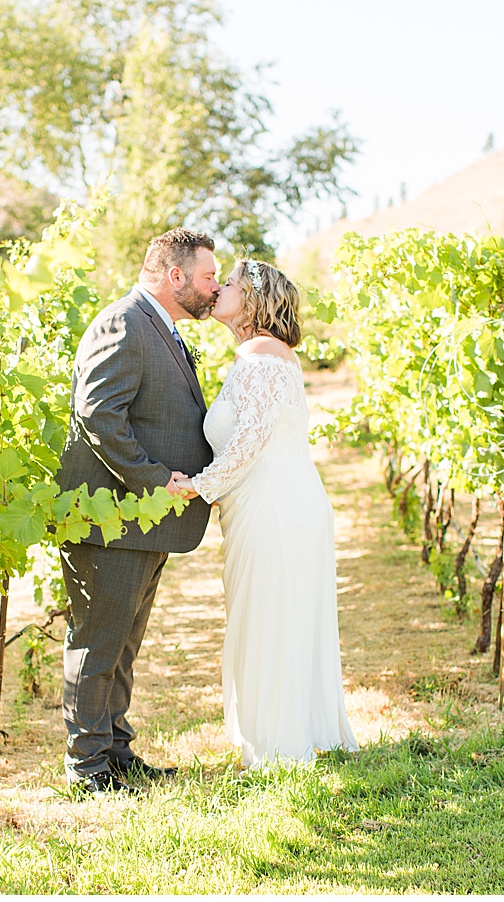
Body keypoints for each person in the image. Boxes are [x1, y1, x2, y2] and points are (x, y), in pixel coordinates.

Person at [173, 258, 358, 766]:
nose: (218, 290)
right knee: (274, 616)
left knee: (269, 618)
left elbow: (250, 440)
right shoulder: (262, 356)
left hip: (274, 506)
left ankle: (277, 747)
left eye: (227, 283)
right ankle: (281, 734)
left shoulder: (259, 358)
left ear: (252, 298)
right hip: (277, 501)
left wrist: (197, 487)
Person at [55, 228, 220, 794]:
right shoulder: (123, 322)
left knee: (122, 644)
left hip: (143, 521)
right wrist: (155, 480)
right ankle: (86, 769)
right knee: (98, 642)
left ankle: (116, 752)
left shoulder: (161, 327)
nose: (214, 288)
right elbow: (98, 415)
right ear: (175, 276)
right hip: (113, 518)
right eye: (207, 277)